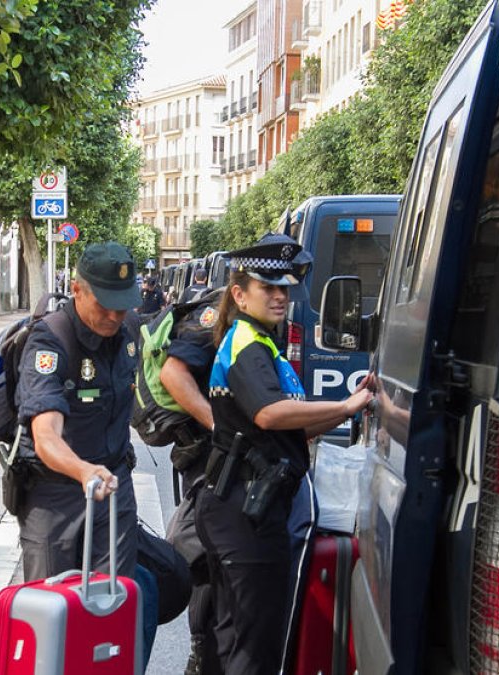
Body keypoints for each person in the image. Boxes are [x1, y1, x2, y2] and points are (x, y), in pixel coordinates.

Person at [197, 233, 372, 674]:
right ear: (239, 293)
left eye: (285, 287)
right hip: (245, 511)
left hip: (248, 507)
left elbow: (300, 428)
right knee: (254, 649)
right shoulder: (248, 344)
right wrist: (346, 404)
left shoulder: (264, 343)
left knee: (236, 638)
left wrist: (351, 410)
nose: (280, 296)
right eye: (268, 287)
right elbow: (270, 415)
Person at [14, 242, 142, 581]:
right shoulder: (50, 341)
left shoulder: (129, 331)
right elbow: (45, 435)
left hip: (113, 488)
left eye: (123, 305)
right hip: (55, 496)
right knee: (52, 613)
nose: (115, 316)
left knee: (112, 609)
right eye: (106, 305)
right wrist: (83, 470)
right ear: (76, 290)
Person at [159, 285, 223, 674]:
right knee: (206, 559)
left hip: (226, 458)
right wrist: (220, 424)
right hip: (206, 456)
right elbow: (173, 372)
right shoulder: (215, 314)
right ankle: (202, 653)